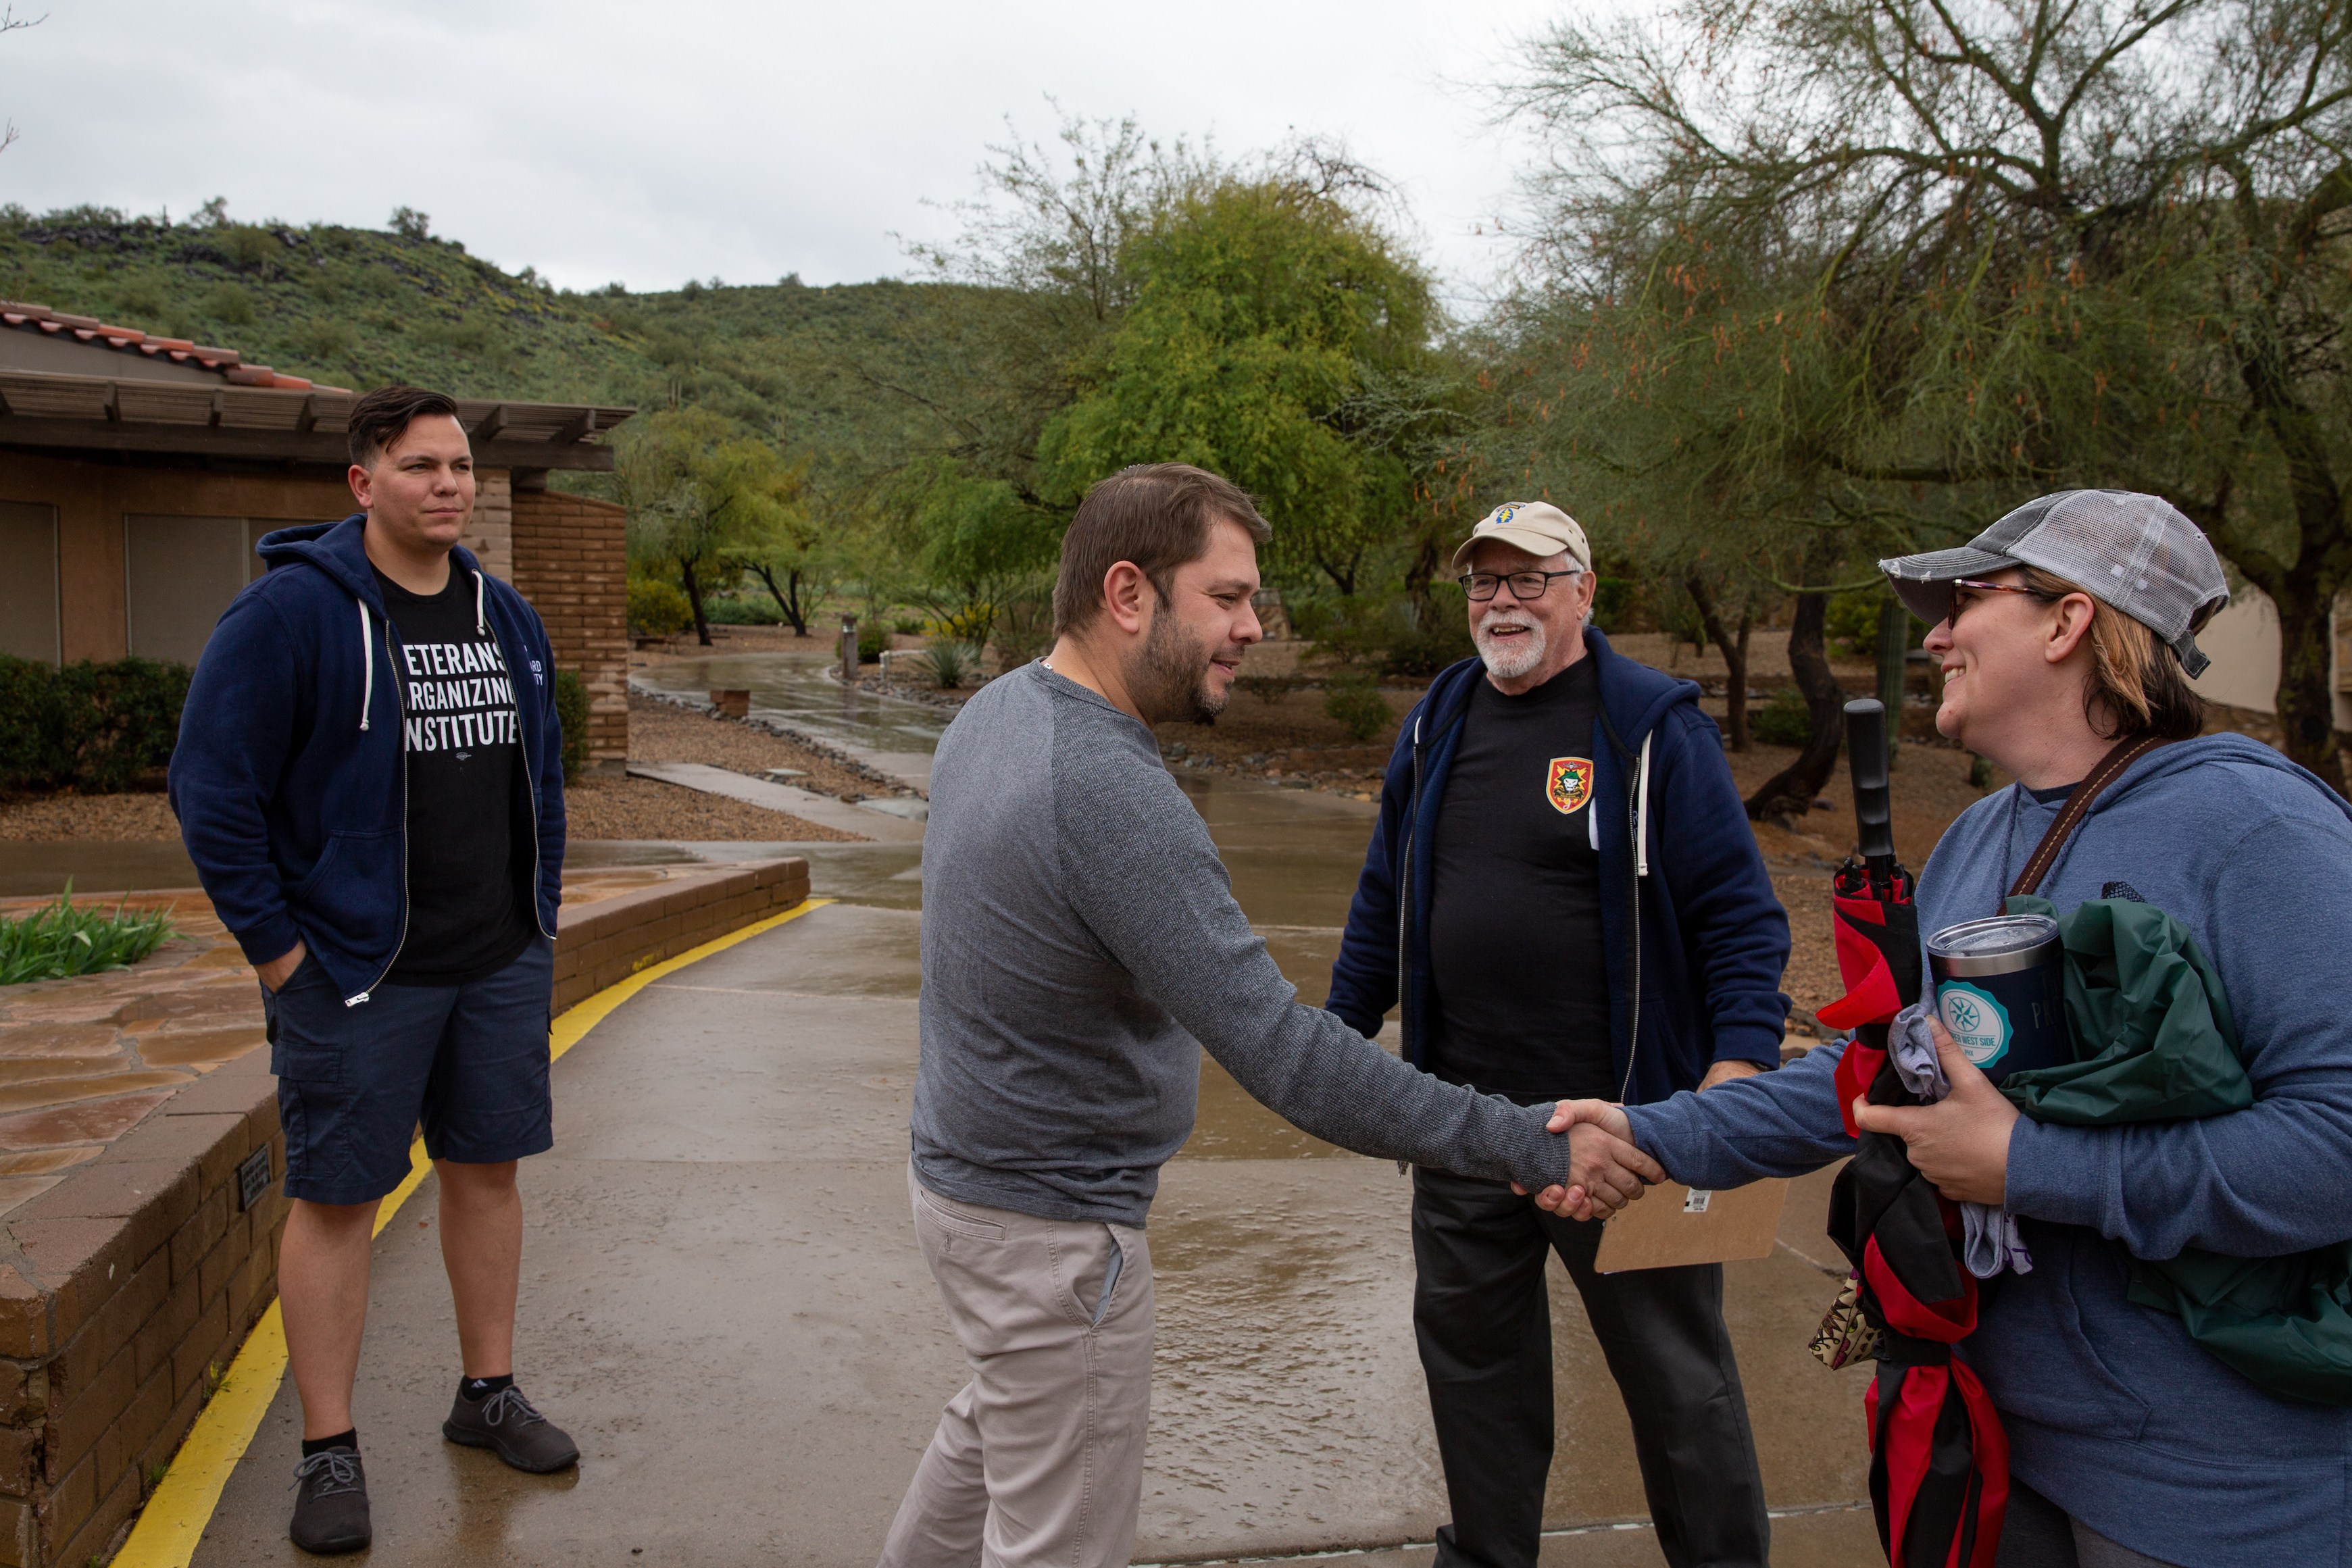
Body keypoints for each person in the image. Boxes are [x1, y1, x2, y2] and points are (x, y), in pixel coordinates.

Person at [1545, 490, 2352, 1567]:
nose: (1932, 634)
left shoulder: (2263, 830)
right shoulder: (1983, 833)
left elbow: (2334, 1147)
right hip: (1991, 1438)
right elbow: (1879, 1072)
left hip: (2208, 1487)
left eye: (1965, 600)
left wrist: (2031, 1164)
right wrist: (1649, 1134)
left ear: (2067, 623)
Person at [881, 463, 1666, 1568]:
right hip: (1051, 1229)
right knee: (1056, 1538)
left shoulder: (998, 711)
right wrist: (1525, 1139)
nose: (1253, 626)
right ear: (1127, 594)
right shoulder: (1107, 789)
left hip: (966, 1188)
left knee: (996, 1425)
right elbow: (1289, 1060)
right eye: (1228, 596)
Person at [1322, 500, 1791, 1568]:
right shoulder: (1438, 717)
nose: (1501, 602)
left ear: (1584, 588)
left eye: (1527, 578)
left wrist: (1733, 1079)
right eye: (1482, 582)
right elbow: (1384, 899)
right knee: (1475, 1383)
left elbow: (1739, 916)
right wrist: (1335, 1039)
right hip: (1464, 1128)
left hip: (1625, 1137)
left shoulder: (1649, 727)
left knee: (1682, 1390)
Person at [170, 385, 578, 1556]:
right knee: (339, 1197)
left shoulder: (506, 615)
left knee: (487, 1172)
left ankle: (485, 1392)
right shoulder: (292, 614)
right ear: (364, 482)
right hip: (354, 973)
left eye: (457, 466)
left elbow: (540, 779)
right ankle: (329, 1447)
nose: (447, 484)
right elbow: (211, 793)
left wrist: (536, 917)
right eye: (419, 466)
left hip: (494, 957)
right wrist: (282, 953)